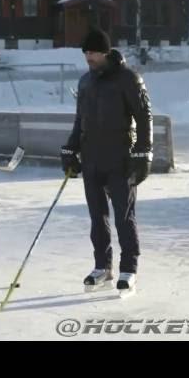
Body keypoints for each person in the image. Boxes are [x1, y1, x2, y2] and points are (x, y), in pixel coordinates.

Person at [61, 27, 153, 293]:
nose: (88, 57)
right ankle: (102, 266)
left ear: (104, 52)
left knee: (124, 216)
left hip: (120, 158)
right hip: (92, 159)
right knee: (97, 217)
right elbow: (81, 121)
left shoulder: (129, 79)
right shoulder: (85, 82)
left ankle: (129, 268)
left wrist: (143, 153)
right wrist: (70, 149)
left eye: (92, 52)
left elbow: (145, 118)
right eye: (85, 52)